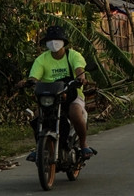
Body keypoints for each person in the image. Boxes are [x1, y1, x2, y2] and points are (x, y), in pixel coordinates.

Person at [17, 25, 95, 161]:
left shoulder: (74, 56)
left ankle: (83, 144)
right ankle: (39, 147)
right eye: (50, 40)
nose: (53, 43)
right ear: (46, 43)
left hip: (72, 95)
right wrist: (28, 82)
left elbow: (79, 69)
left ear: (63, 41)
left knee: (75, 113)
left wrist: (80, 78)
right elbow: (34, 77)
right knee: (37, 118)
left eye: (57, 39)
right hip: (50, 97)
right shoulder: (41, 59)